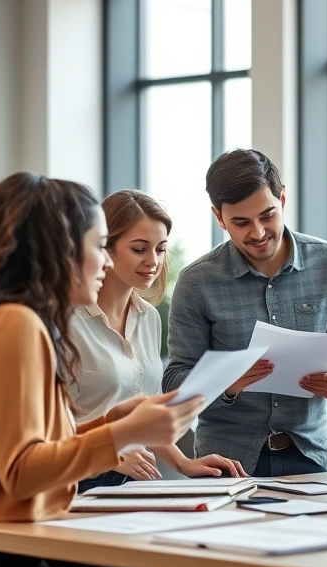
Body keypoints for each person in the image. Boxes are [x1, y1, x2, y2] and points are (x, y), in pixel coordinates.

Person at [0, 172, 203, 567]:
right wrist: (117, 435)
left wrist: (111, 423)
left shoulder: (0, 317)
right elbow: (21, 470)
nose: (105, 261)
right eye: (100, 246)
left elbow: (13, 449)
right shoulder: (15, 324)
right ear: (60, 251)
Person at [162, 149, 327, 477]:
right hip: (226, 462)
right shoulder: (196, 282)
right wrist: (227, 384)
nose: (258, 233)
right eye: (241, 223)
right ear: (219, 217)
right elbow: (174, 381)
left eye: (267, 215)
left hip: (309, 456)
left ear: (282, 199)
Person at [70, 190, 245, 494]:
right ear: (105, 249)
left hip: (137, 481)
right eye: (139, 249)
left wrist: (185, 463)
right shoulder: (68, 320)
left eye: (161, 249)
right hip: (78, 480)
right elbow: (44, 427)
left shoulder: (148, 317)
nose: (153, 261)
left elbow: (145, 414)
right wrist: (107, 455)